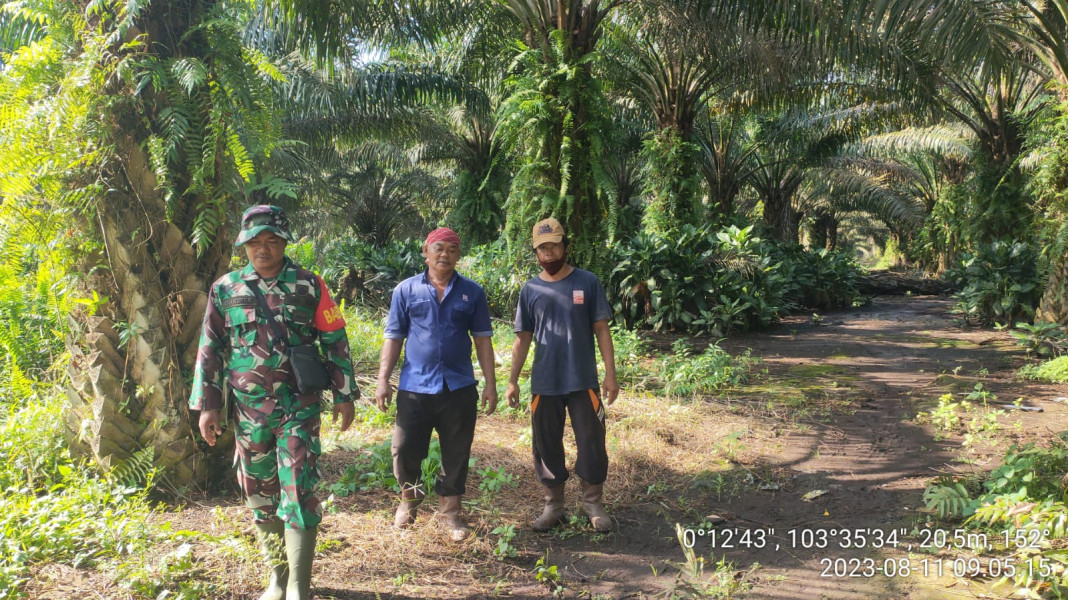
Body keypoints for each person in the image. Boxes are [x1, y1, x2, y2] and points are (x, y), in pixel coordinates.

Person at [189, 204, 358, 600]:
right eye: (254, 241)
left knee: (298, 488)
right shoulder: (225, 289)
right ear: (243, 244)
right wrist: (208, 406)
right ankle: (277, 580)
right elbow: (209, 349)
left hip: (298, 407)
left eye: (272, 240)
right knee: (259, 492)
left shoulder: (310, 285)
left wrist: (345, 394)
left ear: (284, 242)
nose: (263, 248)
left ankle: (299, 586)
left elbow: (334, 340)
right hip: (248, 412)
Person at [375, 227, 498, 541]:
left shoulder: (473, 292)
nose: (445, 255)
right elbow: (394, 337)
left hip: (458, 387)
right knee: (404, 449)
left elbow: (483, 340)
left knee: (456, 452)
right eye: (439, 248)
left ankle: (450, 512)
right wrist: (382, 381)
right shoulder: (406, 290)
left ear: (458, 255)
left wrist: (490, 384)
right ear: (426, 253)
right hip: (415, 386)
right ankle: (410, 501)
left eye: (452, 250)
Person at [505, 217, 619, 532]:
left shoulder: (587, 282)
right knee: (545, 443)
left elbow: (601, 328)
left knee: (592, 440)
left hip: (583, 380)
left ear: (566, 245)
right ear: (535, 252)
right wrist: (513, 380)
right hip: (545, 381)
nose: (550, 253)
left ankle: (592, 503)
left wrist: (611, 374)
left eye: (554, 245)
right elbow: (522, 337)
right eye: (543, 248)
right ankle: (553, 506)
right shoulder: (531, 289)